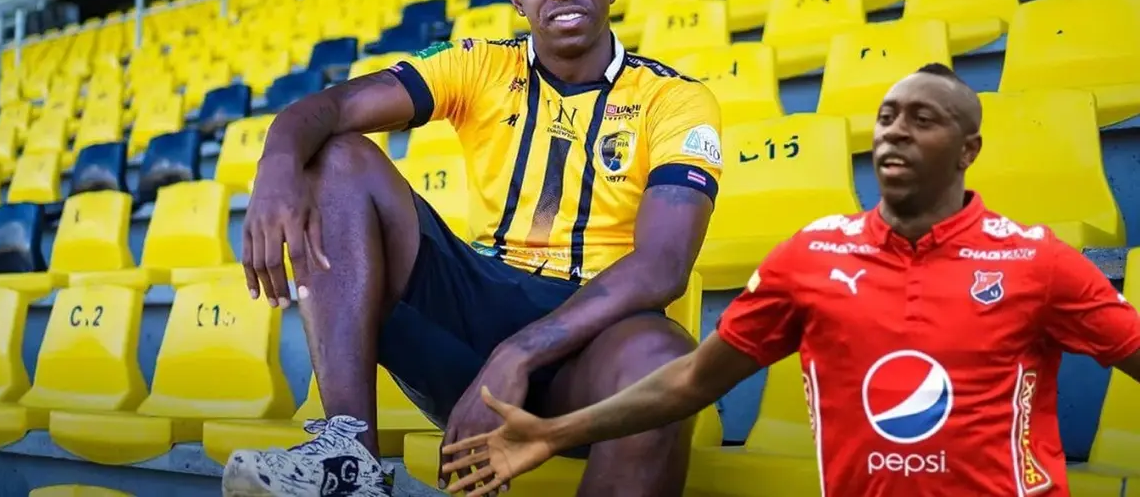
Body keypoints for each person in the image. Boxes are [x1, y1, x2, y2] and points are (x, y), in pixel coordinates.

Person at [438, 64, 1140, 497]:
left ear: (969, 150)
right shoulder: (810, 258)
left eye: (923, 120)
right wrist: (557, 433)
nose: (894, 133)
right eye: (886, 117)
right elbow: (691, 382)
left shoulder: (1036, 261)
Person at [223, 0, 724, 497]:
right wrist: (277, 163)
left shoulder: (676, 99)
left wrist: (517, 353)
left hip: (592, 340)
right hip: (474, 305)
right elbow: (333, 107)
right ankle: (349, 459)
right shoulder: (482, 65)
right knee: (336, 156)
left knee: (665, 362)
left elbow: (664, 266)